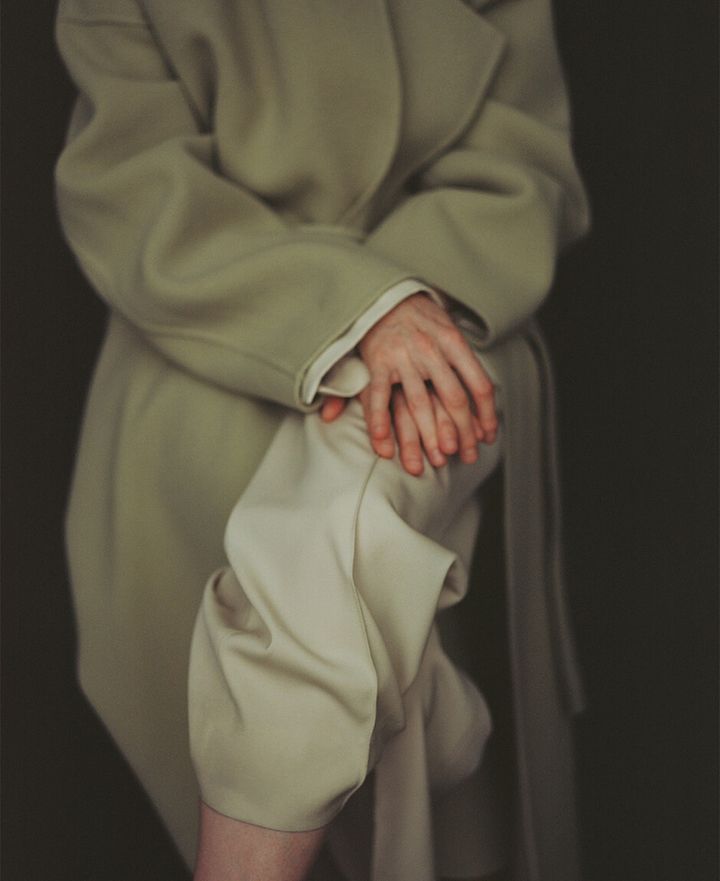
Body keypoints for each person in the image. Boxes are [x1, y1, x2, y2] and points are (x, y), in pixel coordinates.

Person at [54, 1, 591, 879]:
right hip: (218, 317)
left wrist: (400, 301)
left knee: (336, 534)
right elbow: (129, 187)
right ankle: (418, 745)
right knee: (354, 609)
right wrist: (349, 310)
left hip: (455, 289)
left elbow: (517, 165)